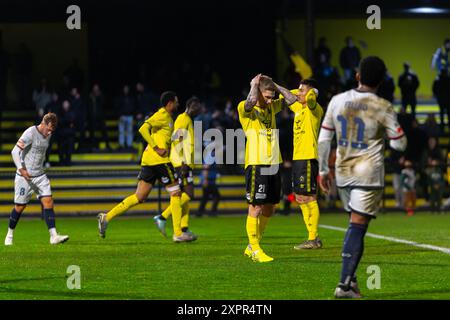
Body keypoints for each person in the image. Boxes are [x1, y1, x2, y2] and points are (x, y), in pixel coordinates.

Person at [318, 56, 407, 298]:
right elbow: (399, 145)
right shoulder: (382, 106)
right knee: (358, 226)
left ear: (357, 75)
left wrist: (323, 170)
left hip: (343, 171)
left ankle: (352, 282)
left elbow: (324, 138)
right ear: (381, 80)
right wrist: (392, 135)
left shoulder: (337, 101)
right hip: (367, 173)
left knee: (353, 225)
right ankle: (344, 285)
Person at [97, 91, 194, 242]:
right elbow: (143, 128)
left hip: (148, 161)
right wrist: (156, 147)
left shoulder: (168, 118)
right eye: (176, 102)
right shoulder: (162, 115)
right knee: (176, 193)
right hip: (159, 160)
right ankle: (178, 233)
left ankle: (106, 217)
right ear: (169, 103)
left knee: (139, 196)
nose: (177, 104)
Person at [239, 74, 297, 263]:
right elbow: (250, 103)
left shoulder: (272, 106)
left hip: (274, 162)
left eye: (272, 97)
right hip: (256, 162)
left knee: (270, 208)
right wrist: (254, 84)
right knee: (255, 206)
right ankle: (255, 249)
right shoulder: (245, 108)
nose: (271, 100)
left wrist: (276, 86)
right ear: (258, 93)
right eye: (267, 96)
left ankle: (251, 246)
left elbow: (292, 99)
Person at [4, 113, 69, 245]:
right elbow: (14, 152)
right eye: (49, 128)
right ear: (43, 123)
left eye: (52, 130)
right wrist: (22, 169)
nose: (50, 132)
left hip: (39, 175)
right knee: (19, 207)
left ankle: (53, 236)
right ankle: (9, 235)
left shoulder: (48, 134)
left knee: (48, 201)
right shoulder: (30, 133)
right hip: (24, 177)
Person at [153, 96, 202, 239]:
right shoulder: (182, 119)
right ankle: (162, 217)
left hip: (185, 163)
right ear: (191, 106)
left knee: (184, 195)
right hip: (181, 163)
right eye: (197, 107)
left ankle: (184, 227)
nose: (199, 110)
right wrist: (183, 163)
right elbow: (176, 141)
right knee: (189, 194)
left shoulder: (188, 120)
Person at [283, 79, 324, 250]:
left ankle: (313, 239)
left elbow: (312, 99)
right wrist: (274, 85)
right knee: (300, 198)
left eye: (302, 90)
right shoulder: (299, 108)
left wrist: (311, 92)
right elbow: (287, 96)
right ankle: (314, 237)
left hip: (308, 157)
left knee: (309, 197)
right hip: (298, 158)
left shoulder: (315, 109)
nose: (298, 93)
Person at [197, 143, 221, 217]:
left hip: (210, 180)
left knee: (205, 197)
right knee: (217, 196)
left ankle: (200, 213)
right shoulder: (210, 156)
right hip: (209, 180)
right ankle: (212, 212)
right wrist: (205, 179)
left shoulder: (212, 156)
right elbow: (206, 168)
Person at [88, 83, 110, 150]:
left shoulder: (101, 95)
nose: (95, 89)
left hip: (100, 117)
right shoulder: (90, 96)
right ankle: (93, 146)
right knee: (92, 132)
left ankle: (107, 145)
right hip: (93, 117)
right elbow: (88, 106)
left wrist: (99, 96)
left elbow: (104, 104)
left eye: (97, 88)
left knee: (104, 131)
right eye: (94, 88)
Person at [115, 84, 136, 150]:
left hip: (130, 116)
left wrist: (133, 114)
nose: (126, 90)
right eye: (125, 89)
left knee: (129, 131)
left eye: (127, 89)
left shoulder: (131, 97)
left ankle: (129, 144)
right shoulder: (120, 97)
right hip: (122, 116)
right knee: (121, 131)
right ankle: (121, 144)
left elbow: (134, 106)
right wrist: (119, 115)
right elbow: (117, 106)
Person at [58, 100, 76, 166]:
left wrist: (65, 121)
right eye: (64, 104)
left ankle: (68, 162)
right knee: (61, 149)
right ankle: (61, 162)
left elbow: (72, 119)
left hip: (70, 134)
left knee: (69, 149)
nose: (65, 105)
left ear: (69, 105)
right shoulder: (60, 112)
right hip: (62, 134)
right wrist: (68, 122)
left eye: (66, 104)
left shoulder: (72, 112)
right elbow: (60, 121)